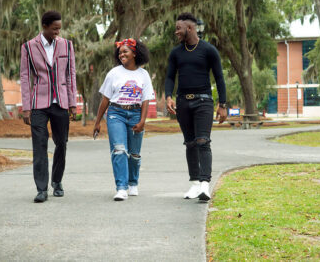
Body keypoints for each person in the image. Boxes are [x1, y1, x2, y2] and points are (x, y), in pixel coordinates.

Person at [165, 13, 227, 201]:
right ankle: (194, 184)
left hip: (203, 102)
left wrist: (222, 104)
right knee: (190, 143)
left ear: (189, 28)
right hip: (183, 102)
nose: (176, 32)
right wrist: (168, 96)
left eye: (178, 28)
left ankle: (205, 185)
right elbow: (169, 77)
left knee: (203, 141)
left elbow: (219, 77)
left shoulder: (208, 50)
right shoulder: (176, 53)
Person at [20, 10, 77, 203]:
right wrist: (26, 107)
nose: (58, 33)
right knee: (40, 145)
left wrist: (72, 103)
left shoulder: (67, 46)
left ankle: (57, 182)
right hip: (38, 104)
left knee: (61, 143)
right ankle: (41, 189)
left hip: (61, 102)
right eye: (54, 29)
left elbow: (71, 75)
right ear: (44, 27)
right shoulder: (28, 47)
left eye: (60, 29)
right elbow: (25, 77)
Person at [93, 39, 154, 201]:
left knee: (134, 154)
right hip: (116, 113)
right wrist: (98, 121)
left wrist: (142, 121)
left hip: (135, 113)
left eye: (125, 51)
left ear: (135, 53)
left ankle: (133, 183)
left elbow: (146, 100)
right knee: (119, 150)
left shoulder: (144, 75)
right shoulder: (114, 73)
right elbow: (105, 99)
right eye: (120, 52)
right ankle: (121, 188)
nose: (122, 54)